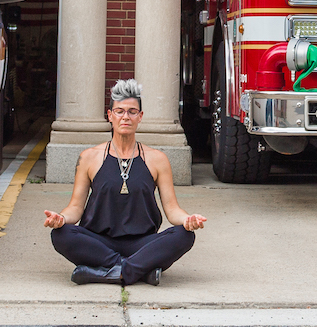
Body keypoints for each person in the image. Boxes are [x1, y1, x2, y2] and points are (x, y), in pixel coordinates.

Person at [44, 79, 206, 286]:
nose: (125, 117)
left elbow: (172, 209)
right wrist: (60, 218)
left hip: (141, 243)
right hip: (98, 241)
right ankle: (138, 270)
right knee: (61, 234)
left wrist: (188, 219)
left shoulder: (157, 159)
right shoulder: (89, 157)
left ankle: (107, 272)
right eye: (119, 111)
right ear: (110, 116)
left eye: (132, 111)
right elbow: (75, 207)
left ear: (140, 117)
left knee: (185, 236)